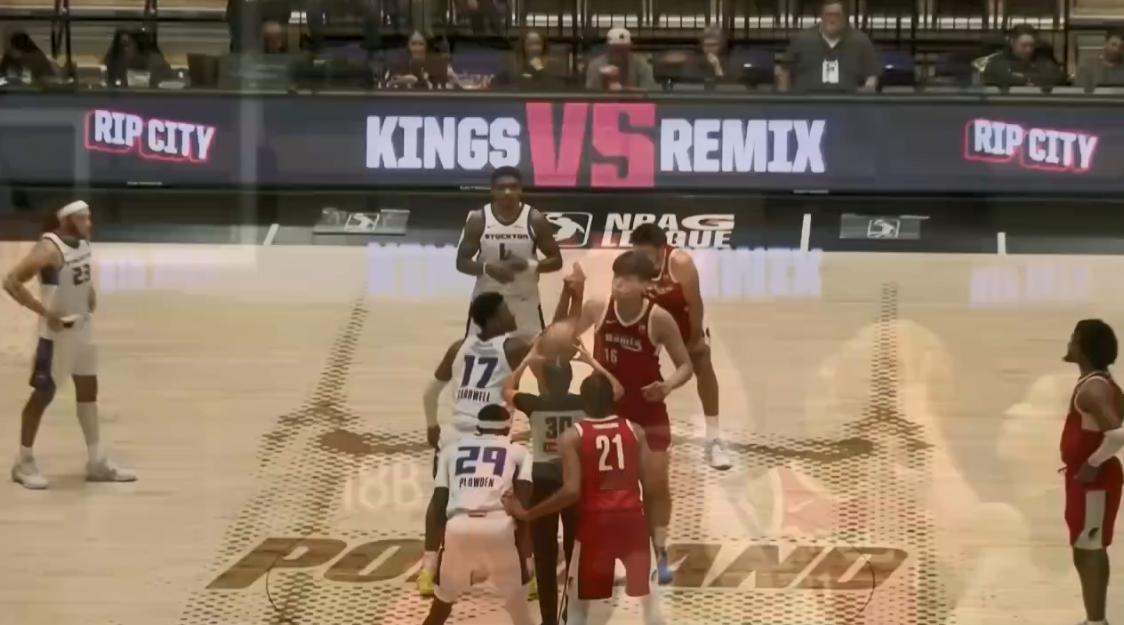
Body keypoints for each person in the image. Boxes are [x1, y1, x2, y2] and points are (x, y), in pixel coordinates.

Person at [565, 251, 694, 584]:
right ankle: (586, 552)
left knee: (655, 485)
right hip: (605, 412)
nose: (618, 283)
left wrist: (666, 386)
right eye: (616, 276)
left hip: (647, 411)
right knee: (595, 488)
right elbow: (564, 337)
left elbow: (686, 365)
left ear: (645, 285)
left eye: (627, 278)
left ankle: (660, 552)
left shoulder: (658, 318)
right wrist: (573, 295)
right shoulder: (598, 307)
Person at [504, 373, 667, 625]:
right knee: (650, 604)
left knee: (578, 607)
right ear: (612, 400)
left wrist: (528, 513)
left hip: (595, 527)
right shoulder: (635, 430)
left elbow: (571, 491)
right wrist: (653, 534)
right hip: (632, 522)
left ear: (585, 402)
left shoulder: (573, 436)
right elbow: (652, 487)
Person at [3, 201, 136, 490]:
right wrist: (45, 312)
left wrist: (88, 293)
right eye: (83, 218)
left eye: (89, 217)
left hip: (84, 332)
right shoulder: (49, 249)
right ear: (65, 221)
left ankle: (96, 461)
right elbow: (11, 282)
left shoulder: (83, 243)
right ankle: (23, 462)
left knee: (88, 392)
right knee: (42, 396)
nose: (90, 223)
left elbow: (79, 278)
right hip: (57, 337)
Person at [418, 292, 531, 596]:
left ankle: (428, 570)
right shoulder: (513, 347)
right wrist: (572, 295)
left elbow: (430, 393)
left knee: (441, 501)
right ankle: (524, 571)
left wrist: (432, 425)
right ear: (493, 319)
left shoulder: (458, 347)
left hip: (455, 436)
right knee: (512, 502)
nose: (511, 313)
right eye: (505, 310)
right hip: (492, 438)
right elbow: (551, 339)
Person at [504, 341, 623, 625]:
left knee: (544, 557)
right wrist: (590, 360)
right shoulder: (583, 403)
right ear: (571, 380)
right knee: (574, 555)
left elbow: (506, 390)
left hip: (543, 485)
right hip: (575, 485)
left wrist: (527, 359)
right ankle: (572, 612)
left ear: (543, 382)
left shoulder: (534, 404)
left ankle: (549, 620)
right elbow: (616, 390)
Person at [629, 223, 731, 470]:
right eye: (636, 252)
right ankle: (638, 432)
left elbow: (695, 303)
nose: (640, 259)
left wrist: (695, 338)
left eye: (645, 254)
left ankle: (713, 438)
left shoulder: (681, 263)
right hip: (655, 318)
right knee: (633, 365)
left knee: (702, 362)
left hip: (686, 317)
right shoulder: (633, 264)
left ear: (661, 249)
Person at [422, 404, 535, 625]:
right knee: (519, 613)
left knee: (440, 609)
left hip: (459, 527)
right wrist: (527, 556)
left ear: (478, 427)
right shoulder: (520, 452)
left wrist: (435, 556)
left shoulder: (450, 451)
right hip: (499, 528)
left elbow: (439, 504)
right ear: (507, 428)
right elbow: (523, 507)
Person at [1058, 319, 1124, 625]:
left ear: (1083, 347)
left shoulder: (1093, 389)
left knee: (1090, 549)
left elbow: (1118, 434)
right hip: (1088, 481)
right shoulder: (1102, 382)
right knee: (1085, 548)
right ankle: (1094, 619)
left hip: (1094, 483)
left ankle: (1097, 622)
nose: (1069, 343)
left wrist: (1092, 463)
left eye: (1073, 338)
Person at [456, 166, 563, 338]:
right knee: (478, 352)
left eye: (513, 187)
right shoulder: (479, 219)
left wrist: (529, 265)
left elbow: (556, 261)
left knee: (535, 354)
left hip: (525, 301)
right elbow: (461, 262)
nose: (507, 192)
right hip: (487, 302)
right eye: (501, 188)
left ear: (520, 190)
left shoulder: (534, 219)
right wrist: (487, 269)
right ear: (492, 191)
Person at [776, 0, 879, 93]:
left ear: (845, 17)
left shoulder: (861, 41)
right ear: (821, 17)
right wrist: (784, 98)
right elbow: (784, 69)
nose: (832, 19)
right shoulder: (802, 39)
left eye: (836, 15)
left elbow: (871, 75)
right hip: (806, 101)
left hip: (848, 102)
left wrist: (867, 91)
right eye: (828, 15)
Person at [980, 24, 1064, 89]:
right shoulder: (998, 61)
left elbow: (1057, 77)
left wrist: (1023, 78)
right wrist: (1029, 80)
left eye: (1032, 45)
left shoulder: (1042, 59)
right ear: (1012, 43)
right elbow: (998, 77)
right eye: (1024, 46)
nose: (1028, 50)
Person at [584, 27, 658, 92]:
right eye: (615, 48)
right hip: (604, 103)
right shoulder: (596, 66)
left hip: (633, 102)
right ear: (608, 47)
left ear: (629, 48)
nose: (618, 53)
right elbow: (591, 94)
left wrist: (623, 90)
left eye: (622, 49)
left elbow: (650, 92)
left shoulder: (641, 64)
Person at [383, 31, 454, 89]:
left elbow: (445, 87)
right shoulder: (399, 65)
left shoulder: (437, 65)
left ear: (426, 47)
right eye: (413, 44)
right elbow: (387, 85)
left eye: (421, 44)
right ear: (408, 47)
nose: (417, 48)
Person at [104, 28, 173, 88]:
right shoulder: (117, 64)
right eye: (120, 46)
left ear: (138, 44)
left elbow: (168, 85)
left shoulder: (156, 63)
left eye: (126, 44)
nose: (123, 50)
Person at [496, 29, 563, 89]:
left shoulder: (553, 65)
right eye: (530, 44)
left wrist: (540, 69)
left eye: (538, 43)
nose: (534, 48)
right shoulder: (515, 64)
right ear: (523, 46)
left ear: (543, 46)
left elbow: (556, 86)